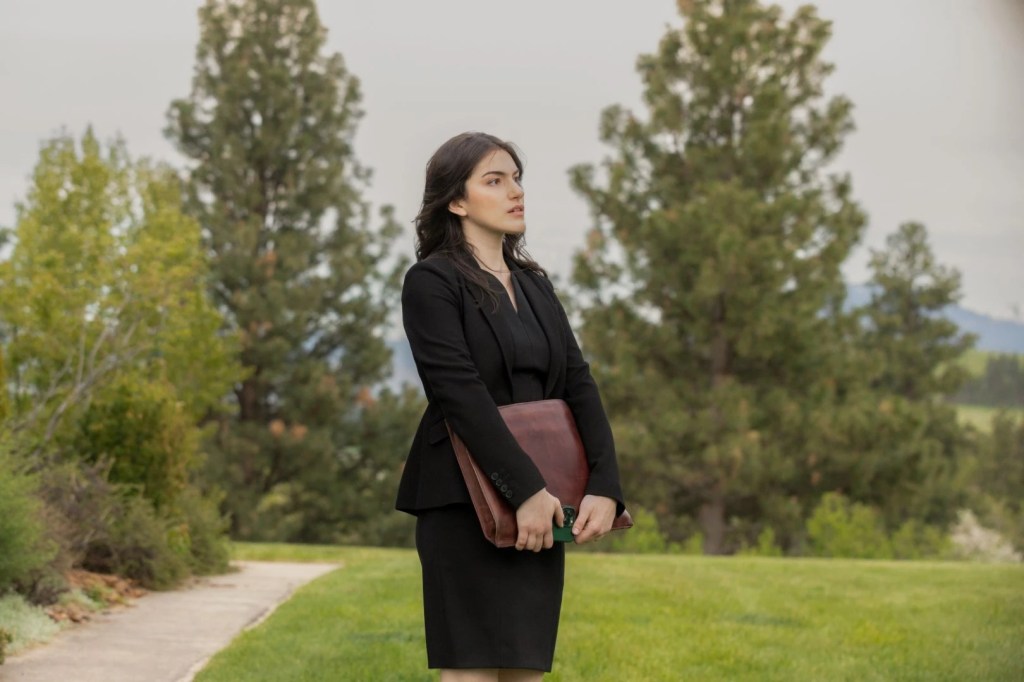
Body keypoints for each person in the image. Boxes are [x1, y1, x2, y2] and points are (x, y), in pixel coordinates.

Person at [396, 131, 626, 681]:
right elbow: (459, 393)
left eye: (516, 178)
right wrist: (523, 490)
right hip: (464, 500)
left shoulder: (535, 285)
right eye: (494, 181)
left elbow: (577, 382)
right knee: (471, 671)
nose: (515, 191)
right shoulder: (431, 282)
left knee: (525, 672)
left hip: (544, 498)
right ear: (457, 200)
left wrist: (606, 485)